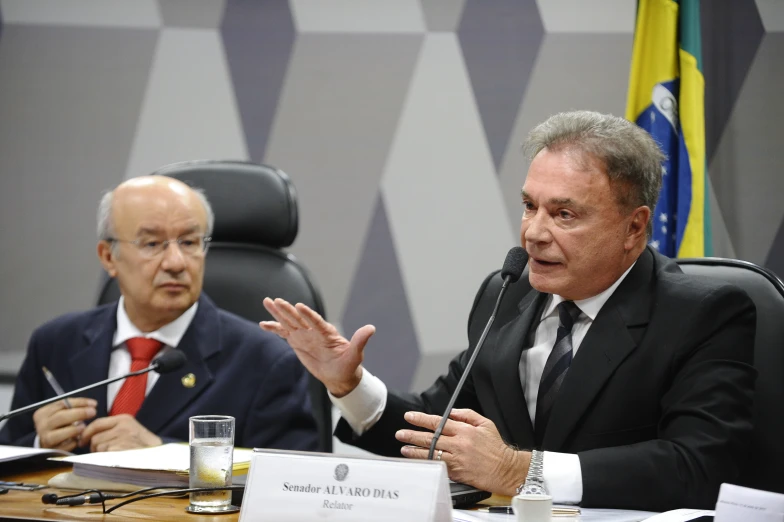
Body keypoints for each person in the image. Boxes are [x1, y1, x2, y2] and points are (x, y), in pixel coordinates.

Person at [259, 111, 756, 511]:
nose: (534, 233)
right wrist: (350, 385)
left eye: (564, 214)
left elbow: (697, 466)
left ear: (634, 227)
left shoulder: (704, 314)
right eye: (528, 206)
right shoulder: (508, 293)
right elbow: (440, 427)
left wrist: (521, 472)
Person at [0, 176, 318, 453]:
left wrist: (162, 453)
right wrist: (39, 445)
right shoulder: (55, 343)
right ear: (108, 256)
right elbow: (8, 461)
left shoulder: (264, 362)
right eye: (152, 243)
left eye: (190, 242)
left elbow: (286, 483)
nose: (176, 262)